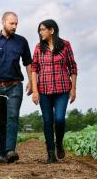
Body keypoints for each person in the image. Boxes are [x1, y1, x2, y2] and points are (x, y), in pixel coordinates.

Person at [0, 12, 32, 163]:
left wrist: (31, 82)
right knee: (0, 121)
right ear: (3, 22)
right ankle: (2, 153)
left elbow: (28, 63)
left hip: (15, 85)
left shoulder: (22, 41)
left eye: (16, 23)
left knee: (12, 116)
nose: (15, 26)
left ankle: (10, 150)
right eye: (12, 23)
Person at [31, 19, 77, 163]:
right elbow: (34, 69)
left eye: (43, 29)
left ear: (52, 30)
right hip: (44, 90)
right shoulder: (39, 47)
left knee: (59, 119)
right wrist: (35, 91)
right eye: (39, 30)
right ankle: (50, 153)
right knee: (47, 121)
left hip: (62, 89)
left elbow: (73, 67)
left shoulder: (65, 45)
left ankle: (59, 143)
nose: (40, 32)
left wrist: (73, 89)